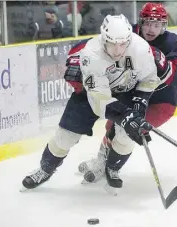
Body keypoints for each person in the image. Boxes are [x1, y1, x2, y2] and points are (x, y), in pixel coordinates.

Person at [21, 14, 161, 191]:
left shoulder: (140, 47)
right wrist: (126, 116)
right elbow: (99, 100)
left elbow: (149, 79)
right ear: (103, 38)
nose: (118, 50)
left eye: (123, 43)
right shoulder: (91, 53)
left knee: (127, 135)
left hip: (126, 92)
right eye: (112, 43)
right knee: (65, 137)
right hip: (92, 95)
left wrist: (139, 106)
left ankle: (112, 168)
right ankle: (45, 169)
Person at [77, 3, 177, 187]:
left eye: (157, 24)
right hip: (132, 93)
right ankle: (100, 161)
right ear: (141, 23)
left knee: (128, 132)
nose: (151, 29)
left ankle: (111, 167)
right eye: (148, 24)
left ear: (164, 25)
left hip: (161, 101)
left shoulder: (171, 42)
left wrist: (161, 63)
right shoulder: (128, 35)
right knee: (113, 124)